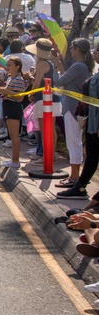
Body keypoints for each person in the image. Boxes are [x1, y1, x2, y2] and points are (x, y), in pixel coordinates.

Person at [53, 38, 95, 198]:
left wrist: (57, 65)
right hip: (75, 108)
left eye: (72, 47)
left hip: (73, 108)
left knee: (73, 142)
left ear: (77, 49)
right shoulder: (82, 66)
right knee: (74, 142)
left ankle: (74, 176)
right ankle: (74, 175)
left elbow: (59, 81)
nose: (70, 49)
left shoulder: (78, 66)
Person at [0, 56, 29, 169]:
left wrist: (7, 91)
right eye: (7, 65)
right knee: (11, 134)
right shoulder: (11, 78)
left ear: (17, 66)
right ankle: (13, 159)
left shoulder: (19, 79)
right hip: (8, 105)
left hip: (14, 107)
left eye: (10, 65)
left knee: (14, 135)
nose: (7, 67)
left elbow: (20, 97)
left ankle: (15, 160)